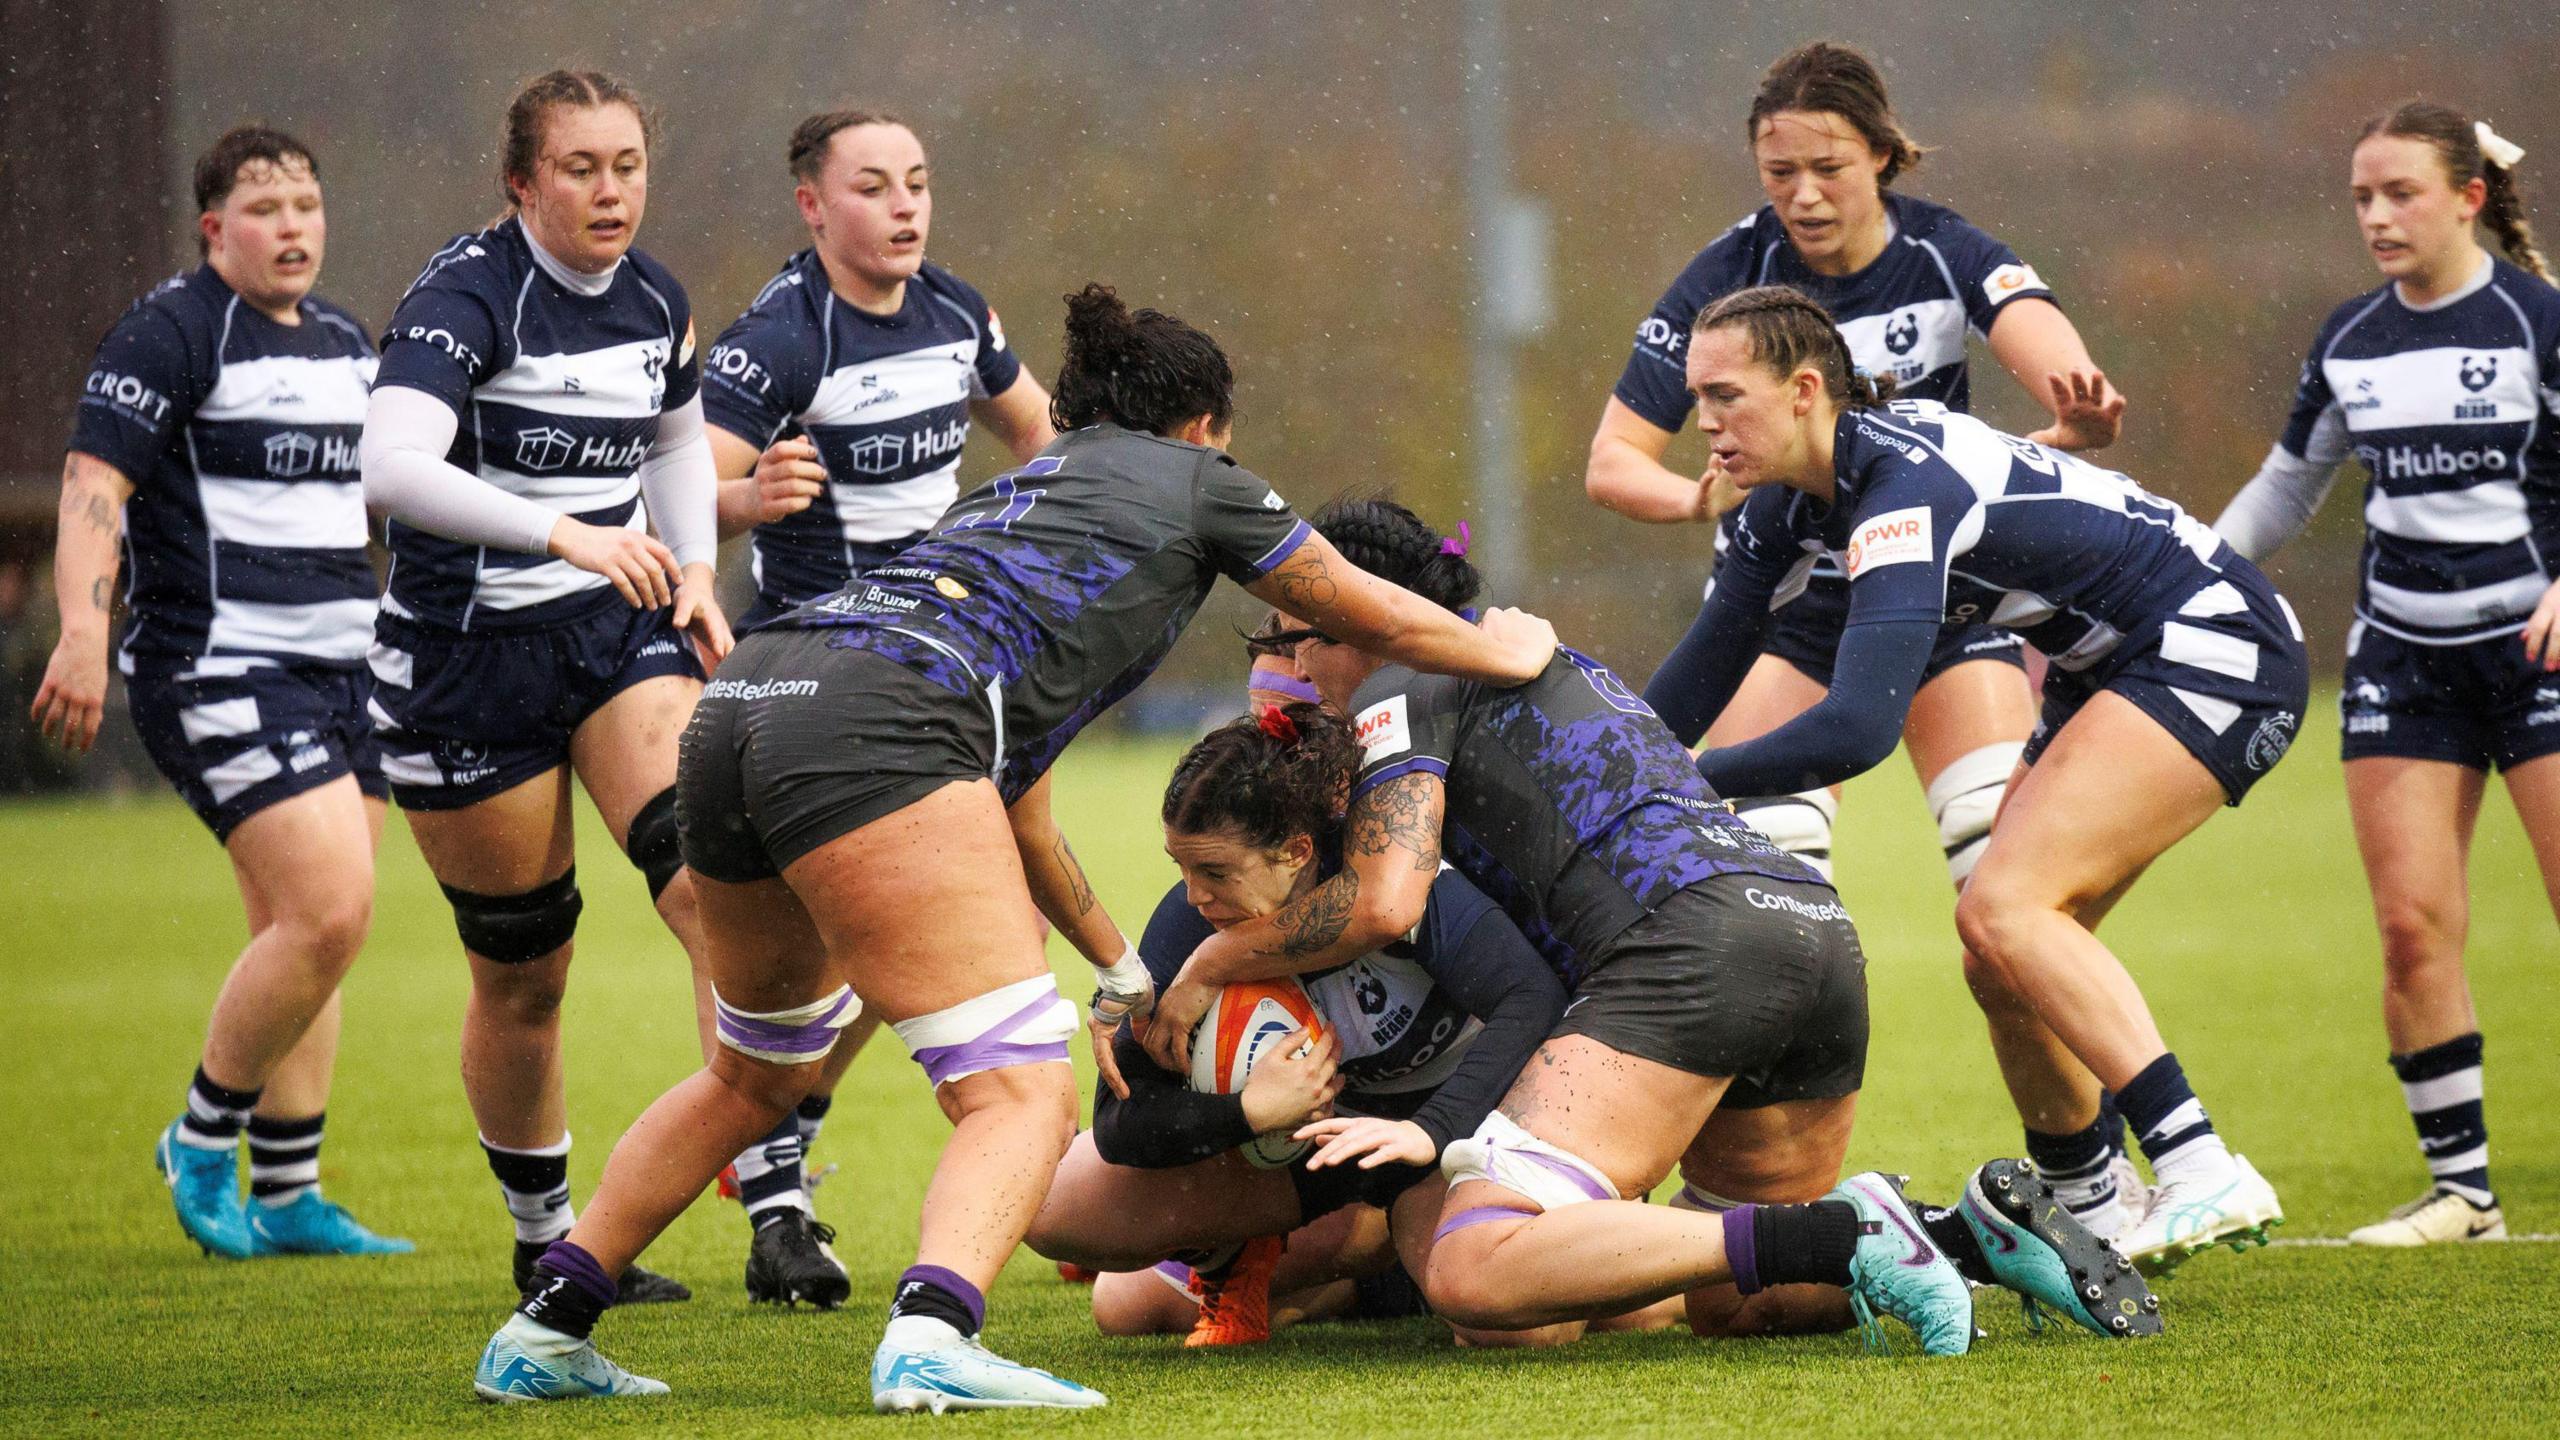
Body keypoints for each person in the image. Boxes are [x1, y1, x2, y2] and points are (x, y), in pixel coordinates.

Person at [468, 283, 1560, 1411]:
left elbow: (1023, 800)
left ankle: (546, 1328)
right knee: (1017, 1089)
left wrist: (1123, 969)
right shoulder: (1197, 477)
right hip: (878, 721)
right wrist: (1503, 652)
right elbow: (1362, 608)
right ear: (1202, 430)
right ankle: (934, 1337)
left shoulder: (1020, 494)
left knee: (754, 1071)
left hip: (750, 692)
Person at [1151, 497, 2155, 1356]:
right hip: (1806, 931)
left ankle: (1852, 1231)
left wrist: (1212, 958)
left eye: (1301, 631)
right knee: (1732, 1298)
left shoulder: (1400, 690)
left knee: (1476, 1275)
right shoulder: (1545, 659)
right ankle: (1959, 1234)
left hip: (1685, 952)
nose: (1291, 663)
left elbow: (1384, 900)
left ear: (1364, 617)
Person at [1584, 41, 2147, 1239]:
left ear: (1883, 157)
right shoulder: (1724, 278)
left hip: (1945, 605)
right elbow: (1610, 464)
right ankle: (1762, 1186)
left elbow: (2046, 349)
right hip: (1791, 613)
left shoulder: (1945, 252)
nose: (1800, 192)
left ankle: (2090, 1179)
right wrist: (1705, 496)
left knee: (2003, 894)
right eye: (1777, 169)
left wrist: (2074, 412)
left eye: (1826, 166)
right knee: (1765, 887)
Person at [1647, 284, 2309, 1274]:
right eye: (1695, 394)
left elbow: (1858, 727)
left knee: (2006, 909)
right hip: (2114, 666)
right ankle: (2090, 1195)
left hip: (2213, 645)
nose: (1703, 419)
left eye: (1725, 394)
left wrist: (1693, 781)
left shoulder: (1898, 491)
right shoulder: (1785, 507)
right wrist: (1593, 767)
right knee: (1998, 955)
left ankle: (2197, 1161)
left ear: (1803, 392)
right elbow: (1694, 680)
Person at [360, 69, 730, 1306]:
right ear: (522, 181)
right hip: (463, 666)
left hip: (612, 636)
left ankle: (776, 1190)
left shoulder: (654, 298)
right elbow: (391, 470)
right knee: (528, 974)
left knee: (715, 891)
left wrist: (695, 568)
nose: (610, 190)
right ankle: (544, 1236)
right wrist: (559, 531)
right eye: (581, 168)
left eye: (627, 164)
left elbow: (677, 440)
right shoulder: (465, 298)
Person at [697, 105, 1057, 1311]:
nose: (903, 206)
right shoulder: (780, 337)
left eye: (916, 182)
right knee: (836, 956)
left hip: (946, 666)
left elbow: (1041, 433)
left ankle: (783, 1146)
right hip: (823, 686)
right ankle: (777, 1176)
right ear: (812, 204)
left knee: (934, 935)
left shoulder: (957, 310)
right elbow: (685, 488)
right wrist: (750, 495)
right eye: (871, 187)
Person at [35, 124, 408, 1260]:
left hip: (350, 669)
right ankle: (202, 1140)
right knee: (331, 908)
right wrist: (83, 631)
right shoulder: (171, 333)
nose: (293, 226)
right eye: (265, 209)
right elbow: (94, 484)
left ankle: (289, 1194)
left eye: (307, 203)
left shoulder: (347, 343)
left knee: (306, 933)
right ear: (215, 229)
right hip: (222, 668)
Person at [2213, 102, 2560, 1247]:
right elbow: (2284, 489)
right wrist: (2184, 573)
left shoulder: (2533, 321)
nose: (2375, 216)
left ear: (2468, 196)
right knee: (2413, 929)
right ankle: (2463, 1194)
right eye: (2361, 196)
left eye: (2400, 192)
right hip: (2400, 659)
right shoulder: (2349, 339)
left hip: (2535, 649)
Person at [1024, 702, 1570, 1348]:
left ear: (1297, 852)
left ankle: (1379, 1254)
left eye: (1216, 873)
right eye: (1182, 868)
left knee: (1521, 1332)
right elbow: (1120, 1123)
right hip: (1330, 1157)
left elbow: (1530, 996)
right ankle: (1343, 1258)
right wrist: (1248, 1111)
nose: (1194, 895)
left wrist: (1430, 1132)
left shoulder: (1394, 883)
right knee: (1100, 1266)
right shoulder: (1191, 924)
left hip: (1460, 1126)